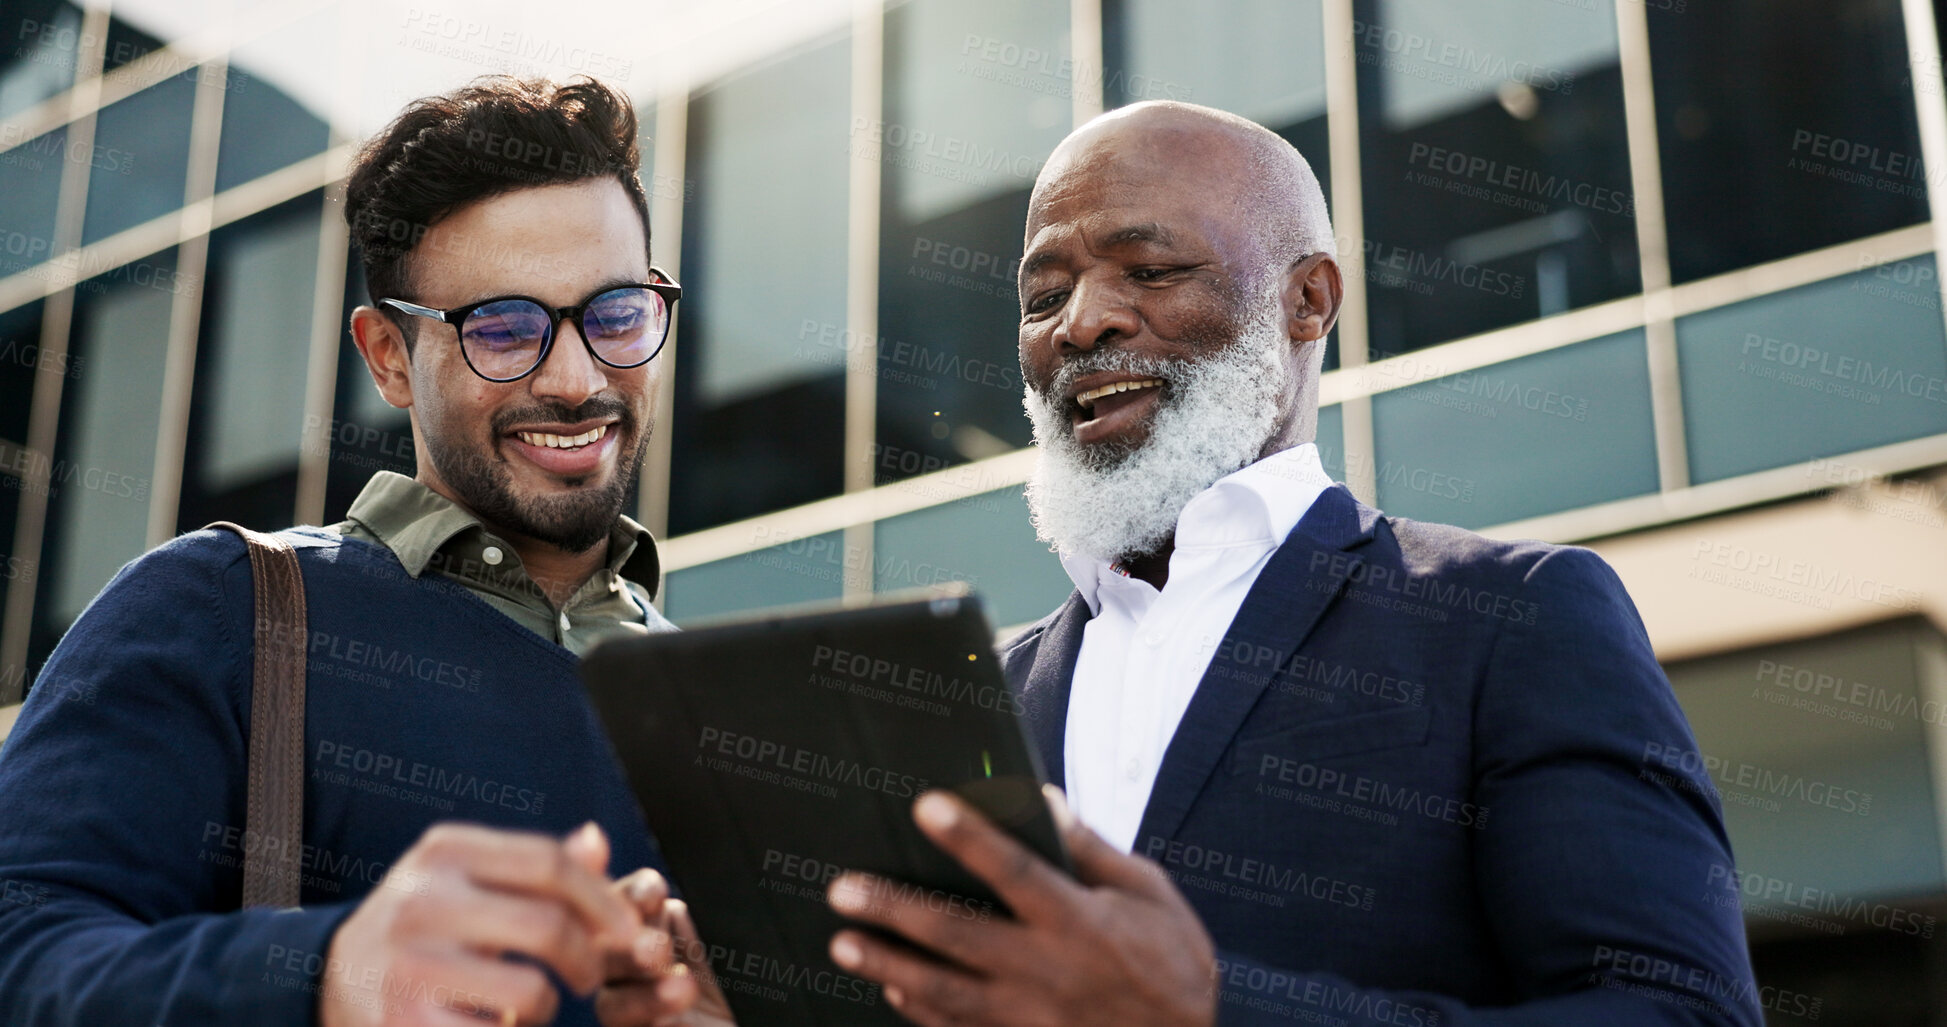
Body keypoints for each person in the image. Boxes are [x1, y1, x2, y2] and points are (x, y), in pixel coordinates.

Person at [820, 101, 1763, 1026]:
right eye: (1041, 296)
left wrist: (1205, 1010)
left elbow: (1681, 1011)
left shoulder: (1514, 617)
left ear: (1307, 300)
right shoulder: (974, 695)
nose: (1082, 322)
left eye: (1148, 268)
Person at [0, 77, 720, 1027]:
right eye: (504, 329)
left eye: (618, 313)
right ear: (387, 356)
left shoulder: (730, 704)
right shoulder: (223, 607)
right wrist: (325, 975)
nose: (579, 376)